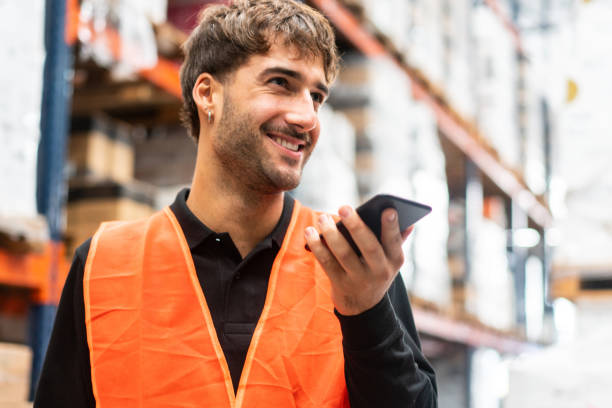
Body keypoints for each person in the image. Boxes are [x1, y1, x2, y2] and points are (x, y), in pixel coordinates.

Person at [34, 1, 437, 406]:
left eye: (316, 96)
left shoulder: (352, 265)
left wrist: (366, 313)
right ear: (208, 94)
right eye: (281, 82)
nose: (307, 117)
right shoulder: (104, 266)